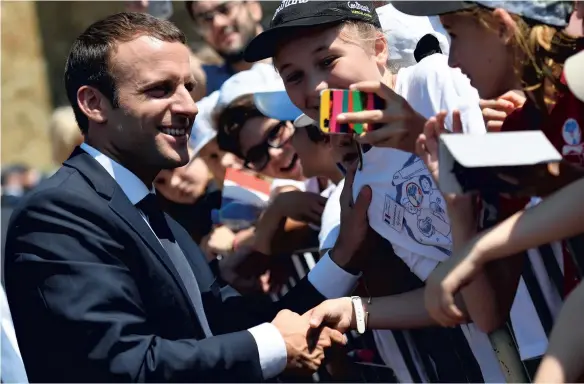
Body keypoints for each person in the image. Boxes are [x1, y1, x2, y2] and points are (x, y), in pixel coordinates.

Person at [3, 12, 373, 382]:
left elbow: (232, 328)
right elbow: (119, 366)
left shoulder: (149, 212)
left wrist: (342, 258)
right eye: (160, 90)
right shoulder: (61, 213)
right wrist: (274, 345)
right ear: (93, 103)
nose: (189, 106)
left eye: (187, 87)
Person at [244, 1, 553, 381]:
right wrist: (357, 310)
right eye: (293, 76)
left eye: (327, 62)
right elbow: (453, 297)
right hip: (502, 366)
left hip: (561, 323)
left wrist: (424, 140)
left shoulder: (431, 82)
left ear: (378, 49)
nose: (315, 88)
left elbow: (514, 188)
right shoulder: (363, 184)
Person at [393, 0, 584, 327]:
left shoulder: (576, 93)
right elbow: (487, 314)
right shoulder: (520, 126)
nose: (452, 60)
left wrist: (479, 250)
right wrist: (458, 205)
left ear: (501, 27)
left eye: (453, 34)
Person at [185, 1, 266, 95]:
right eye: (206, 18)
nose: (218, 23)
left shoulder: (285, 65)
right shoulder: (209, 89)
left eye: (225, 9)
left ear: (254, 9)